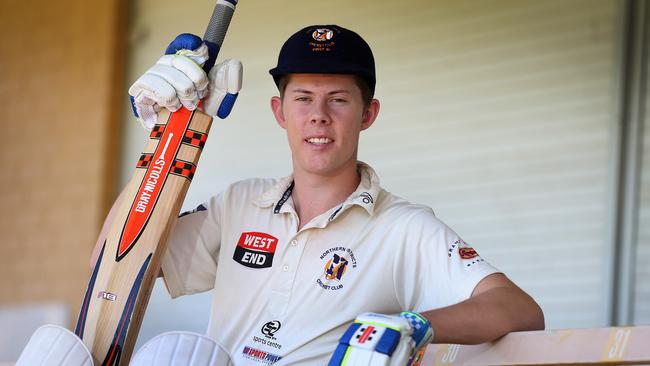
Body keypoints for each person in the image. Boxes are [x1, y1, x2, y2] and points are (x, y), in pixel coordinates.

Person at [97, 24, 544, 365]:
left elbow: (519, 309)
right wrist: (160, 143)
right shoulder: (238, 204)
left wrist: (415, 325)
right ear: (280, 111)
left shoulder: (404, 227)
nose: (318, 117)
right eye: (304, 98)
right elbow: (115, 263)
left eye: (338, 100)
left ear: (368, 114)